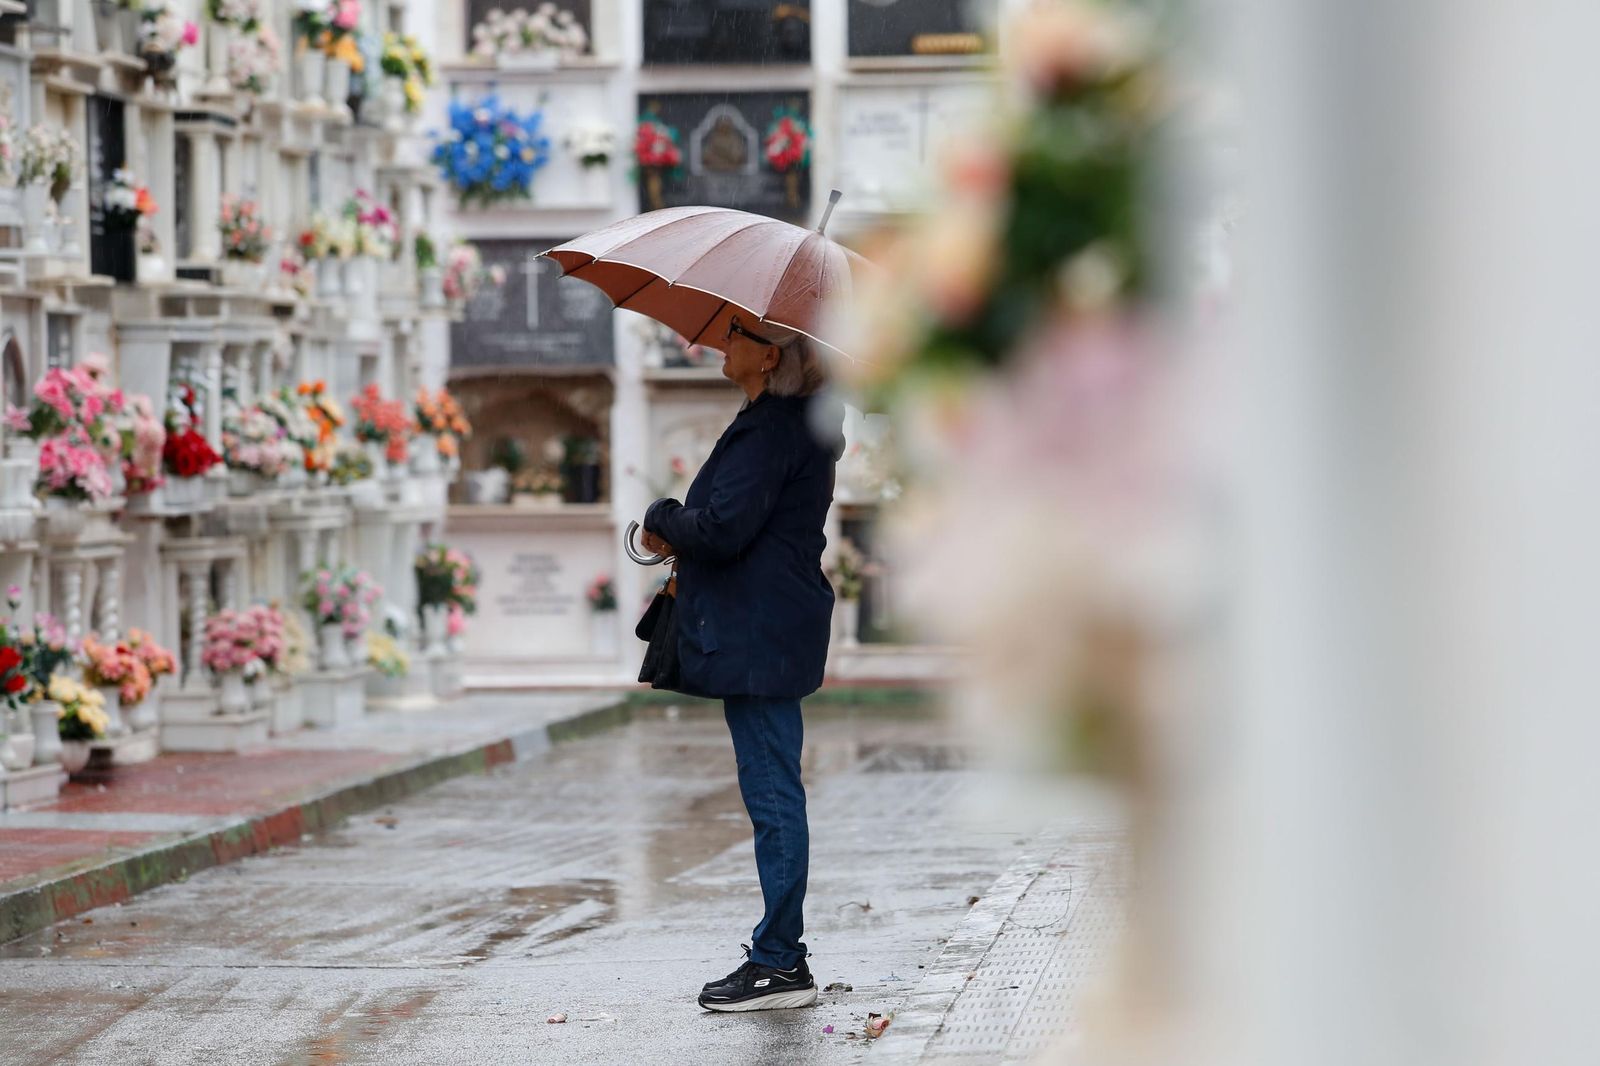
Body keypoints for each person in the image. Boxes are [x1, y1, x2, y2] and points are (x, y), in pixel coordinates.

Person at [640, 313, 844, 1012]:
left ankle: (780, 962)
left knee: (773, 793)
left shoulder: (774, 429)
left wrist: (662, 515)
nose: (721, 342)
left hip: (761, 634)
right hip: (771, 626)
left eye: (736, 333)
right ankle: (779, 956)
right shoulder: (783, 423)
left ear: (770, 357)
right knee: (772, 787)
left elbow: (723, 528)